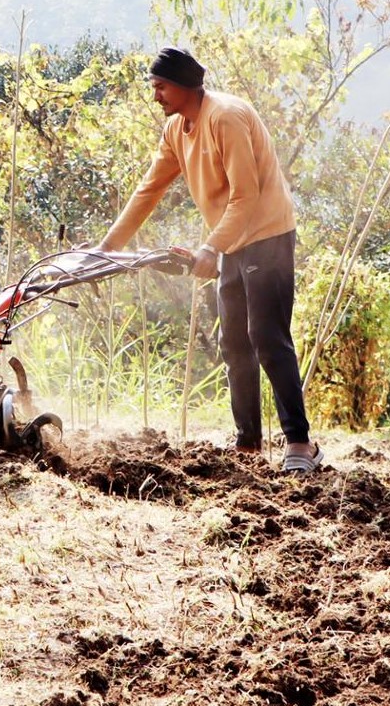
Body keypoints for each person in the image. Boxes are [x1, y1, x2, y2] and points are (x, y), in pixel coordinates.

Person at [98, 47, 321, 472]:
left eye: (161, 87)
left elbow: (247, 194)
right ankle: (248, 443)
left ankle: (300, 442)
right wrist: (107, 246)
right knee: (234, 342)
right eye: (155, 87)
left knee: (267, 336)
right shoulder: (176, 131)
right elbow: (149, 190)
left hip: (267, 234)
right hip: (231, 239)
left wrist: (211, 248)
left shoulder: (226, 117)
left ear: (184, 86)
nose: (156, 95)